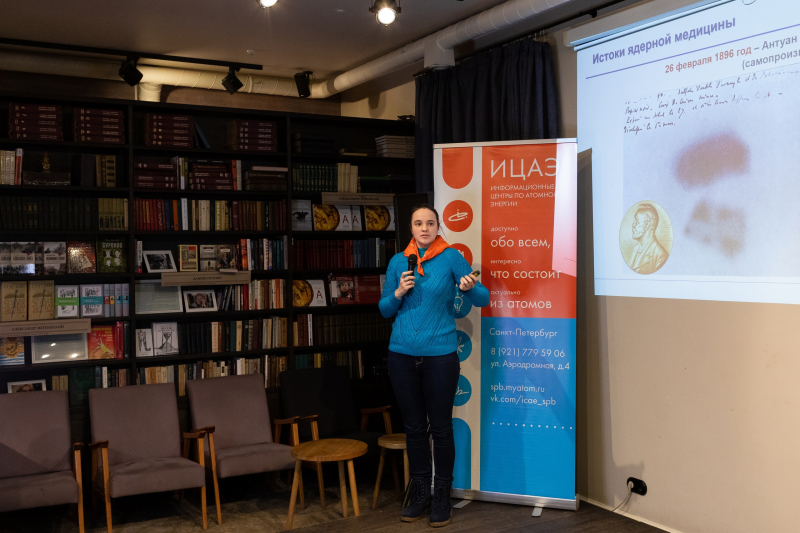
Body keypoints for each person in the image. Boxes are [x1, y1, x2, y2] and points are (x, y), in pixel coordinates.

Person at [379, 204, 489, 528]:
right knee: (414, 428)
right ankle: (420, 493)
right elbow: (385, 309)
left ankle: (442, 495)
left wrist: (469, 287)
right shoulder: (398, 262)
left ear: (438, 226)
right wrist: (399, 292)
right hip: (401, 356)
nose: (424, 228)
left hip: (440, 356)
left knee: (440, 427)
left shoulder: (452, 257)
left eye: (430, 223)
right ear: (411, 228)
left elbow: (482, 297)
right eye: (418, 223)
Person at [624, 203, 669, 274]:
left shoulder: (661, 256)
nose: (633, 225)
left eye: (637, 221)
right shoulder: (635, 250)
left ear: (647, 225)